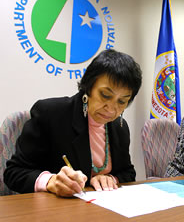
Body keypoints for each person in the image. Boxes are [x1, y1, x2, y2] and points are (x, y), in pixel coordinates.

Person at [4, 49, 142, 197]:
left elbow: (128, 172)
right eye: (105, 95)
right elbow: (14, 172)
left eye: (122, 101)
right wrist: (51, 181)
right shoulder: (51, 114)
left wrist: (110, 179)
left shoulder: (120, 127)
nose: (112, 108)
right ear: (88, 86)